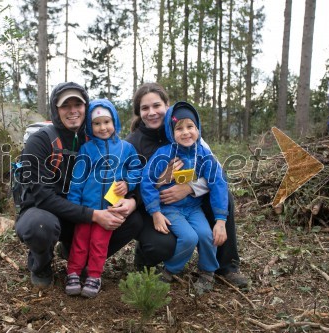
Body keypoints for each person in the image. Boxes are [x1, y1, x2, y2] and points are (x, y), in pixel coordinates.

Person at [15, 82, 142, 287]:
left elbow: (127, 171)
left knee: (134, 220)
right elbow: (43, 197)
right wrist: (94, 216)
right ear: (56, 110)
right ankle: (41, 265)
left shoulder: (96, 136)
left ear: (86, 108)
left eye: (78, 104)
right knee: (40, 227)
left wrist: (131, 199)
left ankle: (79, 257)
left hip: (83, 213)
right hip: (47, 211)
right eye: (66, 106)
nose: (73, 111)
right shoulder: (39, 142)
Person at [125, 82, 249, 288]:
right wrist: (160, 183)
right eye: (145, 108)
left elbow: (217, 174)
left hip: (190, 202)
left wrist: (190, 188)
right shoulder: (133, 143)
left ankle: (226, 266)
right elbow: (135, 182)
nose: (152, 112)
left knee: (223, 194)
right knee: (166, 243)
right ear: (138, 112)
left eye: (157, 106)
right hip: (154, 206)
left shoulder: (189, 134)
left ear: (167, 106)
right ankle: (148, 257)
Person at [141, 101, 228, 292]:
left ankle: (207, 272)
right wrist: (155, 211)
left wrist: (221, 220)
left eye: (190, 126)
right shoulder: (163, 154)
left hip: (193, 208)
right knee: (189, 238)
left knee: (206, 235)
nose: (186, 132)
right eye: (179, 128)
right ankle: (170, 270)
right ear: (171, 132)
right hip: (170, 208)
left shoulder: (204, 155)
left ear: (198, 128)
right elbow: (147, 182)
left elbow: (219, 184)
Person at [66, 99, 142, 298]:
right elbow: (77, 178)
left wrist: (127, 182)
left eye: (106, 122)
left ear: (114, 122)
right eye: (97, 123)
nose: (102, 127)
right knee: (80, 241)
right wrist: (75, 206)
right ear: (90, 126)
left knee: (99, 243)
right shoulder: (87, 149)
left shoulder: (126, 149)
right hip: (87, 208)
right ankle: (73, 272)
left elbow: (136, 169)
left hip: (110, 209)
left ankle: (94, 275)